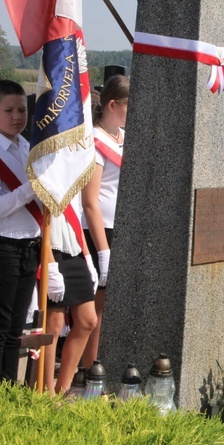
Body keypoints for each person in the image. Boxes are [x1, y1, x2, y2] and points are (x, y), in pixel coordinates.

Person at [81, 74, 129, 369]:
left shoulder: (123, 137)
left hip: (122, 227)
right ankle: (89, 370)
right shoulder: (95, 141)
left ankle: (101, 365)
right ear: (112, 105)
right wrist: (103, 252)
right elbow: (90, 201)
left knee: (111, 309)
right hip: (102, 231)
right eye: (129, 105)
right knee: (98, 309)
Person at [0, 80, 41, 383]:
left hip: (31, 245)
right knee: (1, 327)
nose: (17, 116)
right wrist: (30, 189)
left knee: (16, 329)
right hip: (5, 245)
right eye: (9, 110)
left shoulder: (28, 147)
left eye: (22, 110)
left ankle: (9, 390)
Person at [44, 193, 99, 395]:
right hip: (50, 246)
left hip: (74, 247)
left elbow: (76, 212)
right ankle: (47, 393)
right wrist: (49, 263)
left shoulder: (74, 168)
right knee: (54, 324)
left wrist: (88, 257)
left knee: (87, 320)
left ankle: (64, 388)